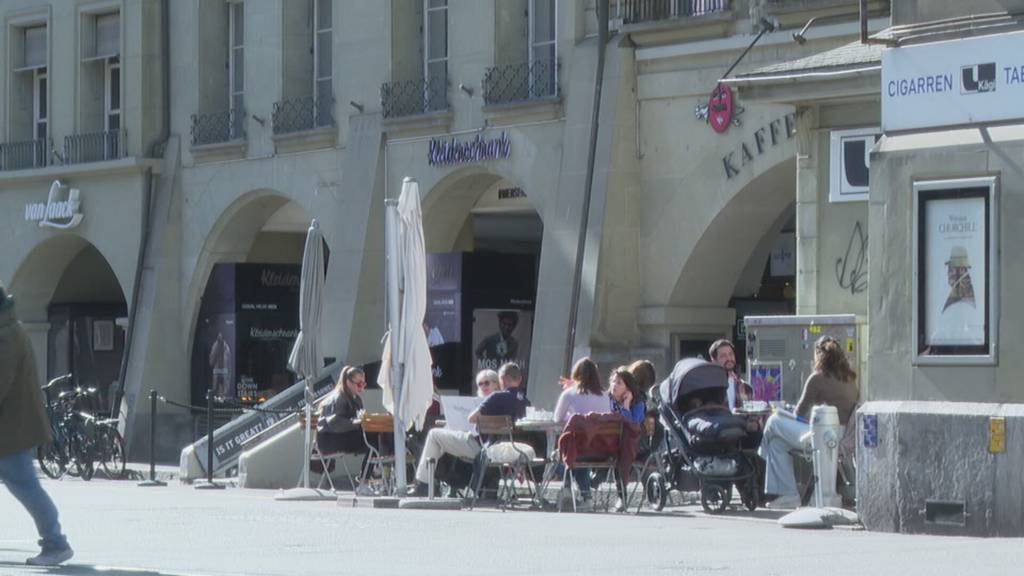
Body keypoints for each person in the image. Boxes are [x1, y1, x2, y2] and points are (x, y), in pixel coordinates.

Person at [0, 284, 74, 566]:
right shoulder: (10, 329)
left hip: (9, 431)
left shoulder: (5, 336)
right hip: (10, 429)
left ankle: (56, 544)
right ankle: (55, 542)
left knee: (26, 487)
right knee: (26, 486)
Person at [758, 335, 859, 509]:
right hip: (841, 437)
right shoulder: (850, 378)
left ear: (818, 355)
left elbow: (799, 412)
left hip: (821, 437)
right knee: (777, 444)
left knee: (774, 421)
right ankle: (788, 495)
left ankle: (763, 456)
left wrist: (784, 411)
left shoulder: (817, 378)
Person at [410, 362, 530, 496]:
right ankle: (437, 483)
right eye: (481, 384)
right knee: (444, 439)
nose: (484, 386)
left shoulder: (497, 397)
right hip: (509, 449)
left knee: (434, 435)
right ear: (519, 380)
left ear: (500, 380)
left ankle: (424, 484)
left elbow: (472, 418)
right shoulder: (525, 402)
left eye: (487, 383)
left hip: (483, 448)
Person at [553, 357, 610, 508]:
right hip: (602, 450)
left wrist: (570, 417)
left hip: (577, 449)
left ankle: (566, 486)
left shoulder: (569, 394)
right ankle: (585, 496)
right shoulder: (606, 396)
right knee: (579, 449)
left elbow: (556, 418)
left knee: (562, 454)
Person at [709, 339, 752, 412]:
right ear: (714, 361)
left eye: (731, 354)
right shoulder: (709, 387)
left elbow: (751, 415)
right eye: (723, 356)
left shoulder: (746, 387)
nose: (729, 358)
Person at [209, 331, 232, 399]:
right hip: (217, 368)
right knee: (216, 382)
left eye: (221, 336)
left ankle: (223, 396)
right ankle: (215, 395)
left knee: (224, 382)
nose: (220, 337)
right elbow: (212, 356)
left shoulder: (226, 347)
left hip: (224, 368)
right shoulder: (215, 346)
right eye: (219, 336)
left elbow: (229, 361)